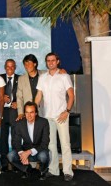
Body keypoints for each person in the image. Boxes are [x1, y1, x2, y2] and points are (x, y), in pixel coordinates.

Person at [35, 52, 74, 182]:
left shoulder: (64, 76)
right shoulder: (43, 77)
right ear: (46, 62)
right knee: (51, 145)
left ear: (58, 61)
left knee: (65, 144)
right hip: (47, 116)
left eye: (53, 60)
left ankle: (68, 171)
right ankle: (53, 170)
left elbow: (71, 95)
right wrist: (33, 110)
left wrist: (67, 111)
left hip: (61, 115)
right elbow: (39, 96)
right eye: (48, 60)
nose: (50, 62)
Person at [7, 101, 49, 180]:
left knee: (43, 156)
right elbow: (16, 142)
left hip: (39, 150)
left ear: (36, 113)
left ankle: (43, 171)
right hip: (25, 150)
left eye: (31, 112)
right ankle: (27, 169)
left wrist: (28, 152)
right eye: (27, 112)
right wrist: (22, 154)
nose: (29, 115)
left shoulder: (43, 122)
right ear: (24, 113)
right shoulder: (19, 124)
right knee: (10, 156)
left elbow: (45, 143)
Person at [0, 59, 20, 172]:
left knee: (15, 139)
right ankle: (4, 164)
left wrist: (18, 103)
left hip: (15, 112)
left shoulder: (20, 79)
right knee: (3, 139)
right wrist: (1, 98)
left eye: (12, 66)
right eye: (8, 66)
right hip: (3, 112)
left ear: (15, 67)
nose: (10, 68)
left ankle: (16, 164)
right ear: (5, 67)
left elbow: (24, 93)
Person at [16, 54, 45, 120]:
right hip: (29, 112)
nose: (27, 66)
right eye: (25, 64)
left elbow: (55, 72)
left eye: (29, 64)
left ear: (35, 64)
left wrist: (60, 70)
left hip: (45, 110)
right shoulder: (21, 79)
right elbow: (19, 97)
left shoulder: (45, 74)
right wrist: (20, 113)